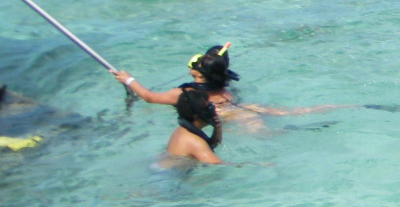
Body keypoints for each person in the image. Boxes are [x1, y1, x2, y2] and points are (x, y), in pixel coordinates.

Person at [113, 44, 338, 134]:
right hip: (241, 106)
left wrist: (129, 79)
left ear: (198, 74)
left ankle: (299, 130)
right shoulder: (224, 81)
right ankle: (334, 108)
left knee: (265, 135)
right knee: (292, 112)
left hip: (226, 114)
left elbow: (149, 97)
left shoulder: (184, 93)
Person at [160, 84, 224, 165]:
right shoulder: (195, 142)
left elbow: (212, 144)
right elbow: (218, 164)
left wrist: (217, 127)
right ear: (196, 116)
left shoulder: (181, 130)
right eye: (208, 109)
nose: (212, 112)